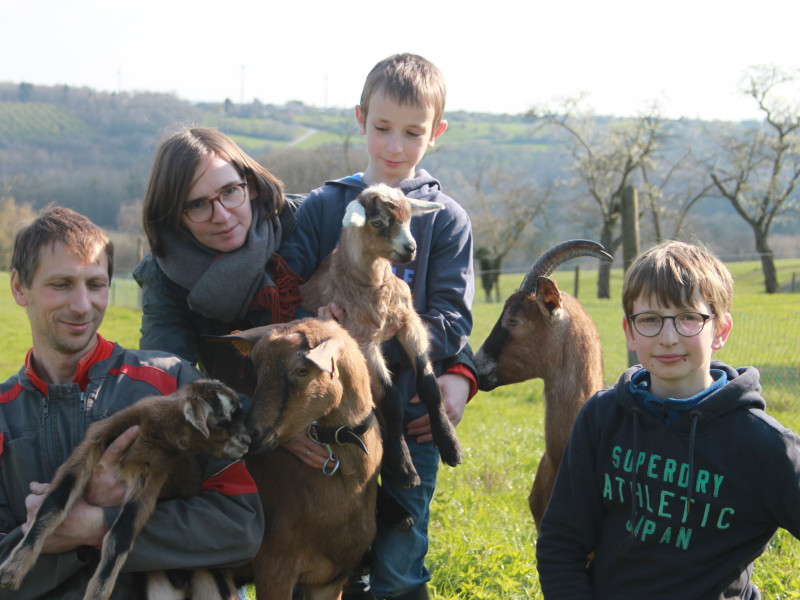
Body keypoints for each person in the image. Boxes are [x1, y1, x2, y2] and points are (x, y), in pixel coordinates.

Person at [280, 53, 477, 600]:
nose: (395, 147)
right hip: (329, 424)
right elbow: (285, 289)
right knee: (321, 552)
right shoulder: (324, 207)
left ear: (436, 133)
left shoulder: (447, 220)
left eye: (412, 133)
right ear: (360, 118)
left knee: (399, 561)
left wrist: (381, 327)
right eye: (383, 128)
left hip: (409, 418)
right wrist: (313, 322)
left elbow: (453, 319)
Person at [0, 206, 264, 599]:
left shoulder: (171, 383)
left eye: (95, 284)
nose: (82, 305)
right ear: (20, 288)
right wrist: (70, 528)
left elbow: (240, 526)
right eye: (61, 284)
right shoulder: (5, 416)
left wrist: (98, 524)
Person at [535, 240, 800, 599]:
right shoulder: (601, 419)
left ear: (720, 330)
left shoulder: (764, 445)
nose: (668, 337)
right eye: (650, 320)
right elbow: (560, 543)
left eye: (689, 318)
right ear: (629, 332)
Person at [133, 126, 302, 396]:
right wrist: (270, 421)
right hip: (236, 424)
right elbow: (165, 380)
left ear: (253, 186)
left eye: (230, 191)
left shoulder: (307, 222)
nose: (221, 216)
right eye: (198, 204)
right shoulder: (164, 273)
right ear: (174, 216)